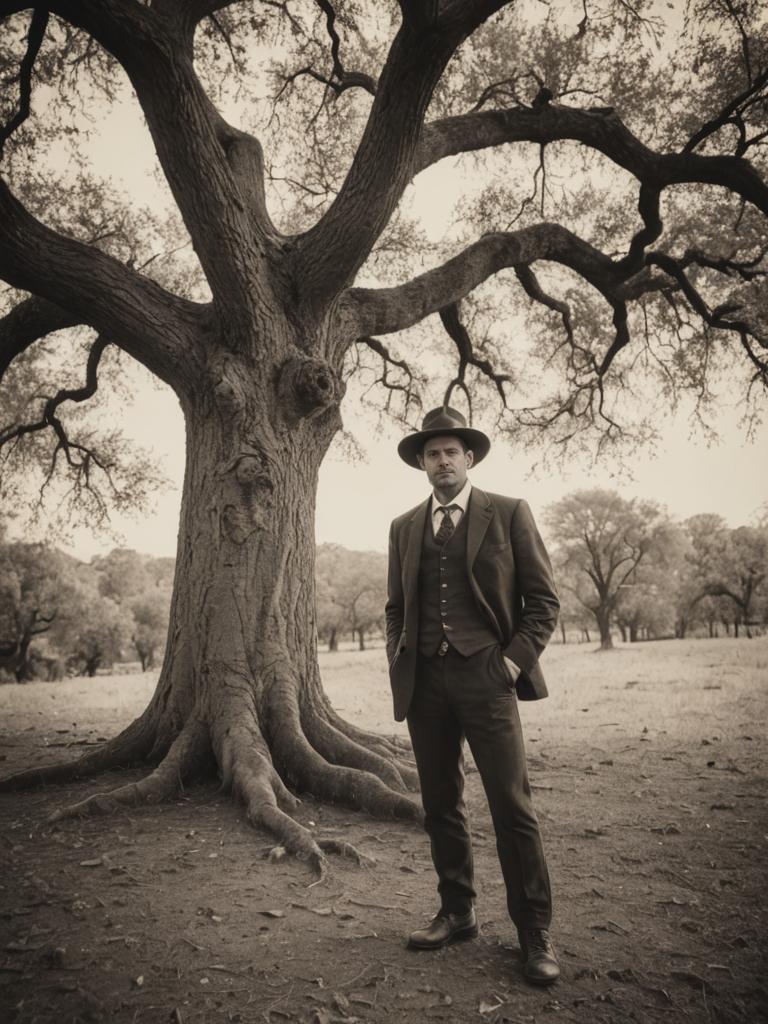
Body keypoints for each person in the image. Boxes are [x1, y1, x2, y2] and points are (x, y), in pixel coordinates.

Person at [385, 405, 561, 985]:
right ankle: (457, 912)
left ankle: (534, 932)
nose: (441, 461)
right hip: (426, 685)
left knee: (512, 807)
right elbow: (396, 609)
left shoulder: (508, 513)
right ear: (423, 464)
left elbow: (543, 603)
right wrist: (399, 655)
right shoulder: (404, 527)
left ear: (470, 457)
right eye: (431, 454)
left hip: (488, 678)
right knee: (440, 806)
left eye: (450, 452)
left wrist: (511, 664)